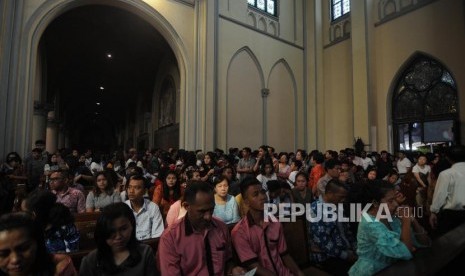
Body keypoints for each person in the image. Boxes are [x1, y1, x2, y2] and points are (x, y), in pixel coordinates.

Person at [158, 181, 246, 276]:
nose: (208, 217)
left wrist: (233, 269)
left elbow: (228, 259)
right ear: (186, 206)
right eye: (202, 211)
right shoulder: (170, 237)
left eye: (211, 209)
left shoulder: (221, 227)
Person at [348, 180, 431, 276]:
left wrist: (413, 221)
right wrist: (406, 221)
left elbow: (424, 243)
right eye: (390, 201)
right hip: (374, 271)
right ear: (375, 202)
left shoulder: (390, 215)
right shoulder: (369, 223)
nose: (396, 204)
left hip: (394, 268)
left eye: (395, 199)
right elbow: (405, 251)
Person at [231, 178, 304, 276]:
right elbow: (253, 266)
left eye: (263, 192)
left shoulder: (275, 222)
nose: (262, 197)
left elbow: (284, 254)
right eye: (255, 194)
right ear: (246, 202)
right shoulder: (240, 232)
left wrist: (299, 273)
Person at [79, 203, 158, 276]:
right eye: (111, 231)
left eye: (123, 229)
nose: (118, 236)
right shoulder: (90, 261)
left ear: (132, 226)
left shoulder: (145, 253)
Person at [0, 212, 77, 275]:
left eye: (24, 249)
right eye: (3, 254)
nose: (15, 259)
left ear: (38, 244)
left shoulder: (60, 268)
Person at [308, 179, 357, 275]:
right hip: (327, 256)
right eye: (341, 197)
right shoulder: (315, 210)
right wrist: (346, 255)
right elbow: (323, 241)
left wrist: (356, 248)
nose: (343, 200)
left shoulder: (338, 206)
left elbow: (347, 231)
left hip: (345, 250)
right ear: (330, 193)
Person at [21, 189, 80, 253]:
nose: (24, 216)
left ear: (35, 213)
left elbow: (71, 252)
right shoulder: (30, 227)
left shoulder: (66, 226)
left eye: (26, 213)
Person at [430, 145, 465, 236]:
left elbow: (440, 195)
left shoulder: (446, 174)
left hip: (453, 216)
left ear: (448, 158)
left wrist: (433, 212)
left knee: (453, 244)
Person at [125, 175, 164, 240]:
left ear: (144, 191)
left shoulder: (153, 208)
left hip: (149, 246)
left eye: (136, 188)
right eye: (129, 187)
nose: (131, 191)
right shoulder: (123, 207)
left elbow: (157, 235)